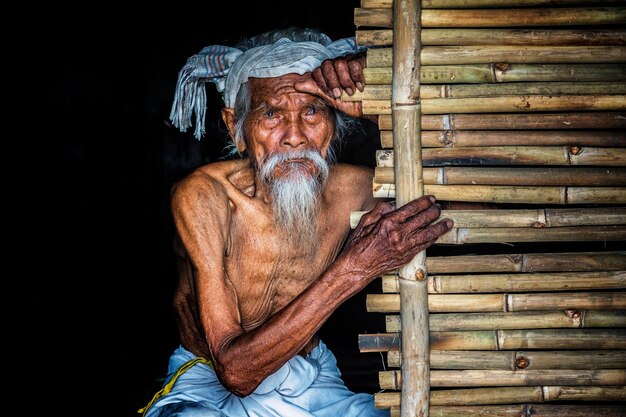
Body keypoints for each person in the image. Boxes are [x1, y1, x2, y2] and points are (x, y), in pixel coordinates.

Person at [141, 27, 453, 417]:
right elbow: (235, 372)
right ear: (235, 126)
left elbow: (458, 198)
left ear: (334, 121)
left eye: (312, 112)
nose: (294, 137)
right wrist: (355, 268)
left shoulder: (351, 188)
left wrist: (381, 110)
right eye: (271, 114)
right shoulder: (204, 197)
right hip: (208, 382)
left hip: (312, 380)